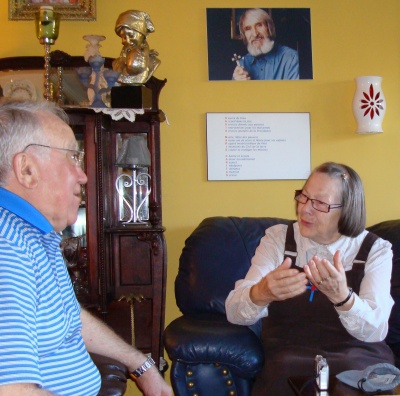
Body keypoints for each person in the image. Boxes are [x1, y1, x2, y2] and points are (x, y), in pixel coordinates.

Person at [0, 99, 172, 396]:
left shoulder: (36, 235)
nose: (83, 175)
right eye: (72, 158)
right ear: (26, 170)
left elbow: (70, 318)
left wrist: (140, 364)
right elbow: (13, 391)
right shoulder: (9, 249)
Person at [225, 162, 395, 395]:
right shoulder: (277, 240)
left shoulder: (376, 249)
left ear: (347, 210)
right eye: (303, 197)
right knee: (282, 372)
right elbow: (234, 313)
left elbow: (376, 331)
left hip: (358, 360)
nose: (304, 209)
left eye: (319, 203)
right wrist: (261, 293)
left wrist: (343, 299)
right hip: (290, 358)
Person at [233, 8, 299, 80]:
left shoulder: (292, 58)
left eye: (259, 25)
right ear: (244, 35)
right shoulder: (243, 63)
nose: (255, 34)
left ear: (269, 28)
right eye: (248, 28)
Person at [112, 10, 161, 85]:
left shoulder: (153, 62)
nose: (127, 41)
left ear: (143, 34)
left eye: (131, 35)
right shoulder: (117, 64)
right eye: (124, 37)